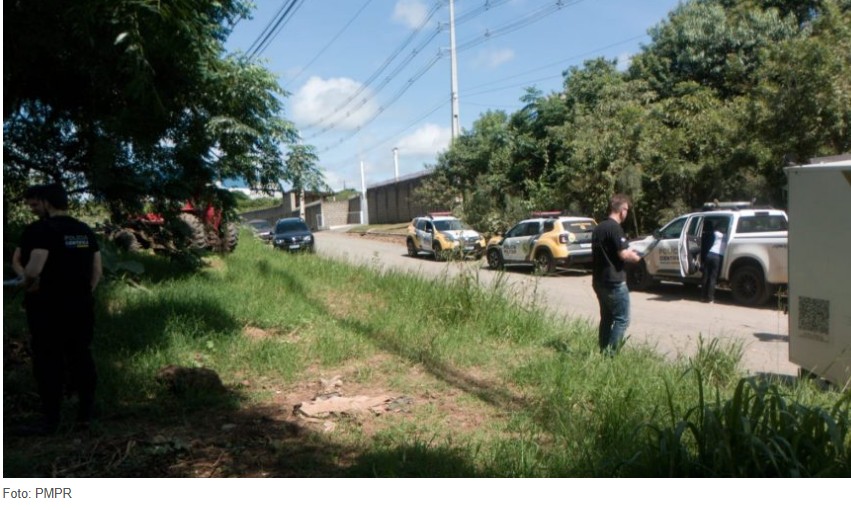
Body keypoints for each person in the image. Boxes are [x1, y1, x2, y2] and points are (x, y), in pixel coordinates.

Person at [13, 183, 102, 434]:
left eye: (35, 204)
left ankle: (50, 420)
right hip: (81, 306)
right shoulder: (84, 230)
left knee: (48, 360)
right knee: (81, 356)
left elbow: (34, 268)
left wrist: (27, 283)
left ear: (46, 202)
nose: (33, 209)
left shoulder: (41, 229)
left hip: (47, 308)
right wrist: (84, 293)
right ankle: (85, 415)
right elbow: (97, 270)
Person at [591, 193, 641, 355]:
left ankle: (603, 352)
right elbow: (623, 254)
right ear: (622, 210)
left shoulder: (598, 228)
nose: (626, 213)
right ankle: (610, 355)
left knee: (606, 318)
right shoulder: (615, 228)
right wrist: (635, 257)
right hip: (614, 282)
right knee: (622, 319)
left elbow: (609, 251)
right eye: (626, 209)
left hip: (599, 281)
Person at [700, 219, 727, 303]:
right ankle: (710, 298)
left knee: (705, 276)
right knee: (713, 278)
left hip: (710, 254)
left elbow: (711, 230)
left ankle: (703, 297)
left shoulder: (716, 233)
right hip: (718, 257)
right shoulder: (727, 236)